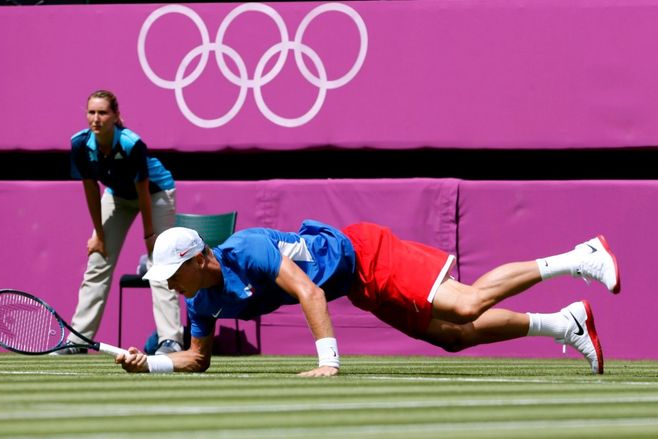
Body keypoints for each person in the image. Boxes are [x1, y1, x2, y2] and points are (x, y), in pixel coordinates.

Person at [116, 220, 620, 376]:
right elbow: (198, 359)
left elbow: (309, 291)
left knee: (465, 305)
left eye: (173, 273)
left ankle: (580, 257)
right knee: (451, 337)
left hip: (365, 253)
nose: (168, 283)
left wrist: (328, 361)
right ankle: (564, 323)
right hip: (357, 284)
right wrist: (153, 364)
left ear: (199, 259)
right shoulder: (201, 304)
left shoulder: (246, 249)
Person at [56, 90, 184, 355]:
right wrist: (99, 235)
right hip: (116, 196)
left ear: (115, 116)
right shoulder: (80, 144)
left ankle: (170, 339)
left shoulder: (130, 144)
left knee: (159, 264)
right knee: (97, 261)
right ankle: (78, 340)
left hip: (156, 193)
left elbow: (143, 190)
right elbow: (91, 189)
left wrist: (149, 236)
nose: (96, 118)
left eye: (102, 113)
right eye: (91, 112)